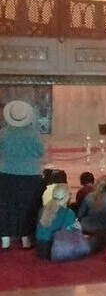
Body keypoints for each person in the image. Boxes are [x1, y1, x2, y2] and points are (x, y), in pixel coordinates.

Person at [0, 101, 45, 250]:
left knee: (5, 206)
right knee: (27, 206)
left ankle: (5, 239)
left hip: (5, 173)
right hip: (30, 174)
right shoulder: (34, 134)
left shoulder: (2, 133)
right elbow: (40, 153)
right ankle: (25, 239)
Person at [35, 184, 81, 260]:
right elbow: (68, 233)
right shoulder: (68, 212)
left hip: (39, 248)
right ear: (66, 197)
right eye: (69, 194)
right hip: (55, 250)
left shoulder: (43, 209)